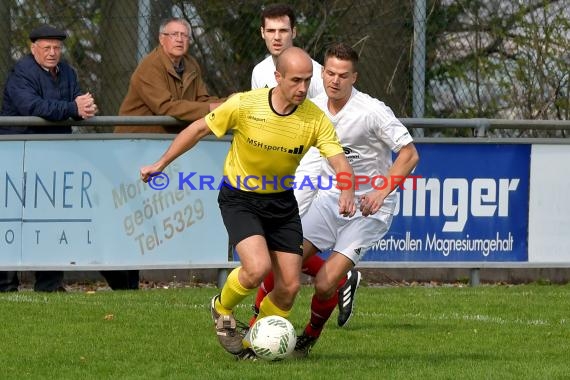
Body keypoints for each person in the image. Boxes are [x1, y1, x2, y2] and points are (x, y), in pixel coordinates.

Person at [140, 47, 356, 359]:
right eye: (295, 80)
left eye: (308, 81)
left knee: (289, 288)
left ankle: (256, 341)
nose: (302, 88)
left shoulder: (314, 119)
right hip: (240, 198)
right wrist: (160, 164)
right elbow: (198, 129)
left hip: (281, 204)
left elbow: (339, 160)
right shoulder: (244, 104)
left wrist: (347, 190)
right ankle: (222, 307)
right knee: (256, 269)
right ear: (277, 77)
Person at [293, 42, 419, 357]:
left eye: (343, 75)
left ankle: (307, 339)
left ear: (355, 78)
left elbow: (409, 154)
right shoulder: (313, 108)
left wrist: (380, 192)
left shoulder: (372, 111)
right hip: (330, 199)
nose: (335, 80)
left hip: (368, 210)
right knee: (285, 258)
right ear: (322, 73)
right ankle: (260, 326)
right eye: (330, 73)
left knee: (324, 283)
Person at [249, 3, 361, 328]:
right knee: (282, 245)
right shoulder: (260, 72)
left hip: (311, 166)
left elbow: (335, 118)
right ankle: (340, 280)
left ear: (294, 33)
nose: (277, 36)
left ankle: (260, 321)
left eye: (283, 30)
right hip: (282, 165)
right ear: (262, 34)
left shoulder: (313, 73)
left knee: (279, 244)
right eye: (271, 30)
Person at [107, 17, 225, 289]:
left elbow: (201, 100)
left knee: (144, 217)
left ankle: (129, 284)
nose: (180, 39)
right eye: (174, 34)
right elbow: (166, 107)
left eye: (185, 35)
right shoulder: (149, 67)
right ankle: (117, 278)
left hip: (161, 152)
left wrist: (224, 103)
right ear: (162, 39)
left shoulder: (191, 65)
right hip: (132, 150)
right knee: (125, 217)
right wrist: (211, 110)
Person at [0, 24, 97, 292]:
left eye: (57, 47)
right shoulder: (22, 72)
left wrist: (83, 107)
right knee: (12, 218)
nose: (53, 52)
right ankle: (5, 284)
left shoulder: (67, 72)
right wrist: (72, 107)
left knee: (53, 219)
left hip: (54, 155)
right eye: (47, 48)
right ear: (34, 49)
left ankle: (51, 283)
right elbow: (33, 107)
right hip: (19, 155)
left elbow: (74, 101)